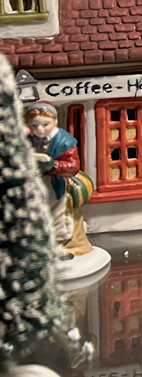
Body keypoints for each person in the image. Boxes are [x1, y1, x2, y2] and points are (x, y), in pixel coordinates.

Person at [25, 101, 84, 259]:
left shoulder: (64, 141)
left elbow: (73, 166)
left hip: (54, 183)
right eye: (35, 125)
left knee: (56, 214)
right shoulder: (26, 139)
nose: (40, 129)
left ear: (55, 122)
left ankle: (58, 246)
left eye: (45, 124)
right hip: (32, 183)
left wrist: (53, 165)